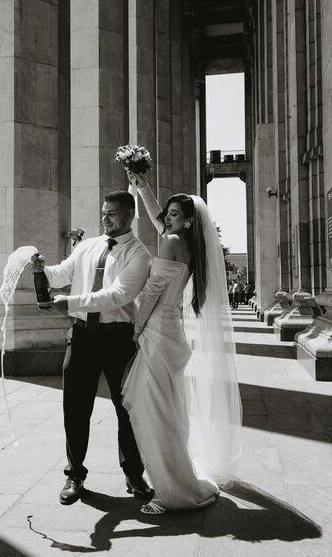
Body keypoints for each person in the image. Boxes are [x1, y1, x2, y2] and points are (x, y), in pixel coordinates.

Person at [122, 171, 242, 515]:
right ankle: (171, 477)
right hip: (171, 331)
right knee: (166, 410)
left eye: (175, 215)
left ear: (189, 221)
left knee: (156, 413)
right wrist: (140, 182)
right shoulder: (187, 244)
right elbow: (157, 214)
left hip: (158, 332)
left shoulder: (172, 242)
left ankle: (172, 491)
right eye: (169, 214)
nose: (168, 218)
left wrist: (136, 326)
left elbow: (154, 291)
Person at [30, 191, 153, 506]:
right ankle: (75, 474)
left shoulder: (139, 255)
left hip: (118, 338)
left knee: (126, 410)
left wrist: (68, 302)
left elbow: (117, 295)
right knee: (75, 407)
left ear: (129, 215)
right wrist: (41, 268)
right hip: (82, 336)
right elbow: (61, 274)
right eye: (103, 212)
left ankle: (134, 473)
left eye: (112, 212)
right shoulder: (87, 246)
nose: (106, 218)